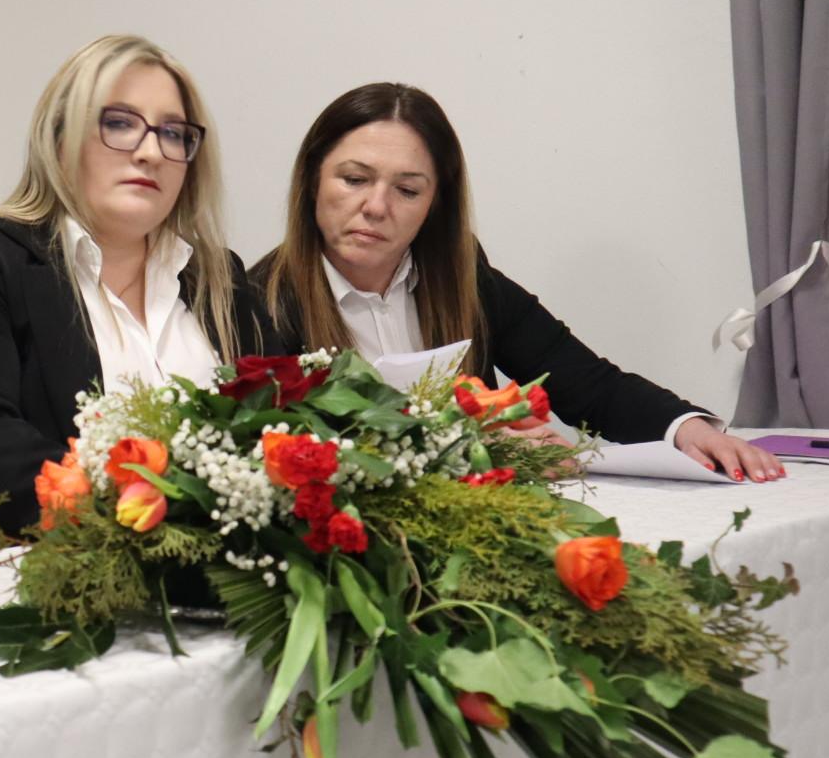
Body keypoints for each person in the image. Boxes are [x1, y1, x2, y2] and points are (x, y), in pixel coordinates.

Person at [252, 82, 782, 482]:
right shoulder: (258, 303)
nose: (376, 206)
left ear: (435, 204)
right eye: (354, 179)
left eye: (407, 190)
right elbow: (289, 458)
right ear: (312, 180)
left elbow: (590, 386)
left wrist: (688, 428)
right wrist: (481, 446)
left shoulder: (466, 279)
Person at [0, 35, 280, 563]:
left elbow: (282, 429)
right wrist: (158, 513)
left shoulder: (218, 280)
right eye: (118, 123)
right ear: (60, 137)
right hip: (18, 587)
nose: (150, 151)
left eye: (173, 133)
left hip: (215, 588)